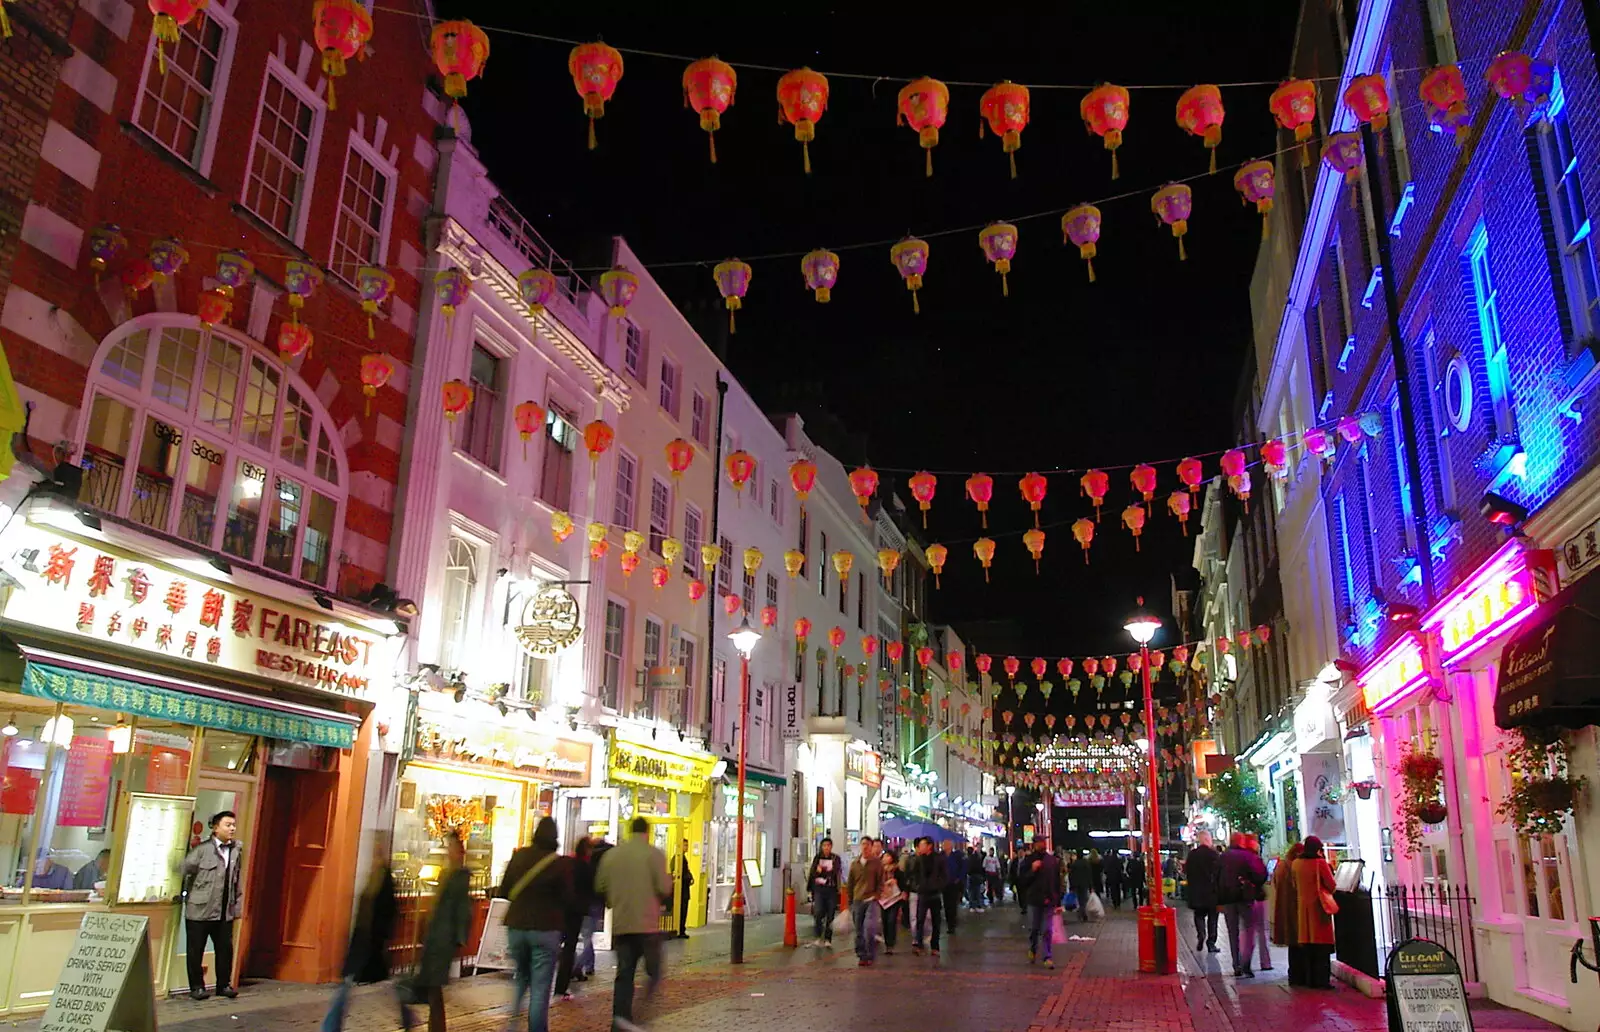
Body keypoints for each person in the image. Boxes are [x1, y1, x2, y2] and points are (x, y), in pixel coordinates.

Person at [595, 817, 671, 1032]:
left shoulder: (612, 855)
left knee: (624, 975)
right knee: (654, 972)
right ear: (647, 832)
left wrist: (614, 897)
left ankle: (620, 1019)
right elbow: (664, 888)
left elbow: (599, 885)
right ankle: (639, 1015)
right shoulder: (655, 854)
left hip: (622, 924)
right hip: (647, 925)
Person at [498, 817, 574, 1032]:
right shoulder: (559, 864)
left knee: (521, 978)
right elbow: (568, 898)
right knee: (540, 989)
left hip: (517, 926)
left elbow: (504, 890)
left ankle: (511, 1026)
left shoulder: (520, 856)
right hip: (546, 929)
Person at [321, 861, 401, 1032]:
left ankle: (330, 1027)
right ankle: (330, 1026)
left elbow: (387, 917)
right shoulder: (373, 882)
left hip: (370, 947)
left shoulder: (383, 884)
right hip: (362, 944)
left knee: (384, 988)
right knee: (350, 985)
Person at [405, 833, 471, 1032]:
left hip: (444, 937)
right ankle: (434, 1027)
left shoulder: (460, 876)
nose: (449, 852)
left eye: (452, 848)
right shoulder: (446, 873)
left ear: (460, 852)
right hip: (435, 935)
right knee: (431, 987)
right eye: (448, 847)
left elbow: (462, 909)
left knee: (432, 986)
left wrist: (460, 938)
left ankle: (432, 1027)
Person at [180, 810, 244, 1000]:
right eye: (227, 824)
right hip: (200, 909)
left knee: (225, 949)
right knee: (195, 950)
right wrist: (185, 895)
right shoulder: (202, 850)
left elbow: (236, 880)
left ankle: (223, 984)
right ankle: (197, 987)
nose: (232, 828)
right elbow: (184, 871)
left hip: (224, 910)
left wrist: (237, 907)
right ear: (216, 828)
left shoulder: (236, 850)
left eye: (233, 825)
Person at [1216, 832, 1268, 978]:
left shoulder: (1222, 857)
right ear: (1241, 841)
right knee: (1249, 930)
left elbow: (1215, 879)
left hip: (1228, 900)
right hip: (1245, 898)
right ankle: (1246, 963)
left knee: (1233, 933)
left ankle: (1236, 964)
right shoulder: (1248, 856)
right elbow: (1261, 875)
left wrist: (1219, 900)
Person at [553, 837, 596, 1000]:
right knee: (569, 947)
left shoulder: (568, 863)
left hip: (563, 909)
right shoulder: (585, 867)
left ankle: (564, 978)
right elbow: (591, 890)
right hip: (575, 911)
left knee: (559, 943)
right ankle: (561, 985)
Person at [1292, 836, 1337, 988]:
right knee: (1321, 948)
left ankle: (1309, 979)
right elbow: (1331, 885)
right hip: (1319, 908)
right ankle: (1322, 981)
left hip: (1303, 910)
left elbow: (1294, 884)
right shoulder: (1320, 863)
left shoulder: (1296, 863)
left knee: (1308, 946)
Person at [1018, 837, 1063, 968]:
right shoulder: (1028, 860)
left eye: (1043, 842)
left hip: (1048, 900)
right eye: (1040, 842)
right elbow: (1022, 881)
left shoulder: (1051, 860)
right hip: (1033, 900)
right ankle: (1033, 949)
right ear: (1034, 844)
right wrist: (1032, 870)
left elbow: (1056, 881)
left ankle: (1047, 956)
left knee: (1047, 930)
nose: (1042, 844)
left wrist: (1057, 902)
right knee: (1034, 928)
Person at [847, 838, 885, 967]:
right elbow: (850, 883)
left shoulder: (876, 863)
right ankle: (861, 955)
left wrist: (877, 894)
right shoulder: (855, 864)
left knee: (869, 928)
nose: (865, 847)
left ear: (871, 847)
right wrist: (850, 900)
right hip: (858, 899)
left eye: (868, 845)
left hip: (871, 899)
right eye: (863, 844)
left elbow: (881, 881)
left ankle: (870, 954)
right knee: (858, 929)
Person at [908, 837, 947, 956]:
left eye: (923, 844)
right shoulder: (918, 859)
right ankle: (918, 944)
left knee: (936, 921)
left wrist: (938, 885)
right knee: (920, 920)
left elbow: (944, 875)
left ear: (929, 846)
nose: (921, 847)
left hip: (935, 894)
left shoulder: (938, 858)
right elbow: (913, 874)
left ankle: (935, 946)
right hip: (923, 893)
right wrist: (918, 886)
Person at [1183, 834, 1221, 954]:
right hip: (1212, 893)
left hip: (1196, 893)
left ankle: (1201, 934)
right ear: (1207, 840)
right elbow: (1219, 873)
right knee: (1213, 918)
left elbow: (1186, 871)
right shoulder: (1214, 855)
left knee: (1199, 915)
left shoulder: (1192, 855)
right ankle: (1211, 943)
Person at [1272, 842, 1304, 983]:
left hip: (1283, 908)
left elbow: (1274, 882)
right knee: (1298, 942)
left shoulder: (1281, 866)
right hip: (1295, 908)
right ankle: (1299, 975)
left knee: (1292, 943)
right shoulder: (1295, 867)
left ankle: (1293, 973)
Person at [805, 838, 841, 947]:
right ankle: (817, 936)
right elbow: (813, 872)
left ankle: (828, 939)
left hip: (831, 890)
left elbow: (834, 872)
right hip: (819, 889)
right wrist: (821, 872)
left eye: (828, 845)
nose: (826, 847)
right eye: (824, 845)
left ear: (831, 846)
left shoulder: (835, 858)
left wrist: (822, 871)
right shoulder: (817, 857)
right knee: (818, 912)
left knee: (831, 914)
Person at [1244, 835, 1273, 971]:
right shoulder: (1255, 859)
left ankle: (1245, 962)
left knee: (1248, 931)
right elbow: (1262, 876)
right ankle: (1265, 962)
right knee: (1261, 931)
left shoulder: (1242, 859)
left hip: (1246, 899)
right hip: (1258, 897)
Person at [879, 848, 905, 955]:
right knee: (884, 921)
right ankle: (886, 942)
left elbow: (903, 883)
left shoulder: (897, 870)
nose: (886, 858)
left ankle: (891, 944)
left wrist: (896, 882)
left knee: (891, 920)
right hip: (883, 898)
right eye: (885, 856)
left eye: (888, 856)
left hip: (894, 898)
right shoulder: (879, 870)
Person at [673, 838, 695, 938]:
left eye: (687, 845)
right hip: (682, 890)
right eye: (685, 845)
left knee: (683, 909)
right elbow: (682, 873)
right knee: (682, 910)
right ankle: (680, 929)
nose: (687, 847)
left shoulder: (682, 858)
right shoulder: (679, 859)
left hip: (683, 889)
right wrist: (689, 877)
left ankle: (681, 929)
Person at [1068, 850, 1092, 922]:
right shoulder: (1086, 863)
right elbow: (1089, 875)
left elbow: (1071, 875)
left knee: (1078, 899)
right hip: (1084, 884)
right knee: (1084, 899)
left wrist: (1071, 885)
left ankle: (1081, 912)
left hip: (1076, 884)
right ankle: (1083, 913)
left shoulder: (1074, 864)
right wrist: (1091, 886)